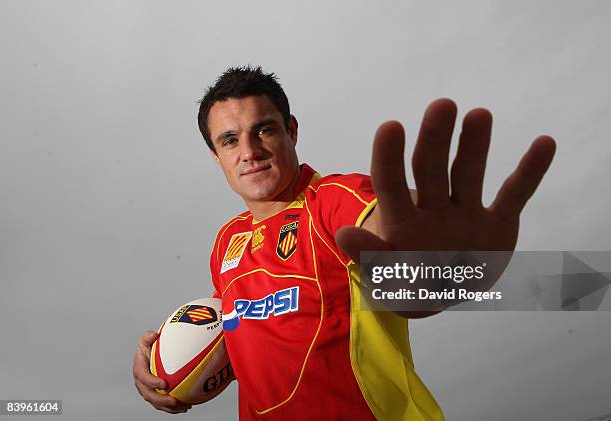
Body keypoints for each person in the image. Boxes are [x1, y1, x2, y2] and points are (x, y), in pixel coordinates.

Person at [133, 66, 556, 419]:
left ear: (291, 131)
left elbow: (390, 235)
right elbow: (239, 339)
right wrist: (162, 374)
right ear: (216, 155)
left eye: (264, 130)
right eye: (230, 140)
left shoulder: (334, 199)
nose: (249, 151)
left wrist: (443, 260)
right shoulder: (227, 242)